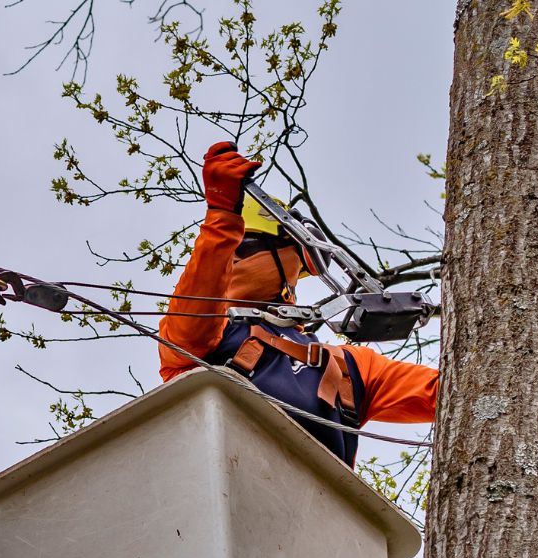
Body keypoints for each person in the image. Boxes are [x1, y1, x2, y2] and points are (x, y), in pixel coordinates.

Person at [158, 141, 438, 466]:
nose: (230, 261)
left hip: (312, 507)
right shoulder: (205, 334)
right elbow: (196, 306)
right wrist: (221, 219)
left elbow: (450, 392)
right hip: (223, 484)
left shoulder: (346, 366)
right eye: (230, 252)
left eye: (237, 250)